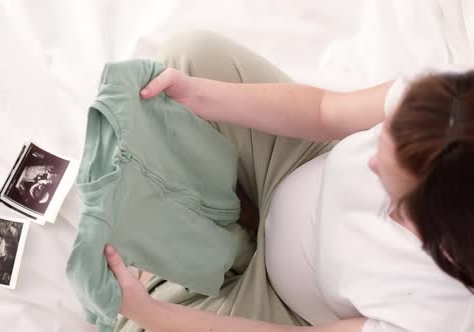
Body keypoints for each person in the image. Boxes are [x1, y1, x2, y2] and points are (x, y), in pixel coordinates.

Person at [103, 31, 474, 331]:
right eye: (382, 139)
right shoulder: (445, 108)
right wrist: (198, 95)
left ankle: (212, 236)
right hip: (293, 167)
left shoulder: (440, 314)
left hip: (278, 302)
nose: (372, 163)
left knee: (138, 323)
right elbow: (324, 111)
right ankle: (226, 216)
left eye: (392, 191)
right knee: (190, 55)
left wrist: (146, 311)